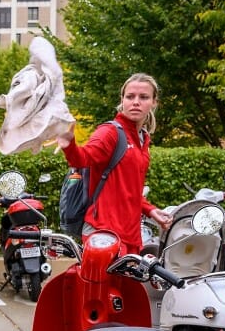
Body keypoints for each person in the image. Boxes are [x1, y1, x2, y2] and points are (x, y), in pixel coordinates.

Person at [55, 73, 172, 252]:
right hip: (103, 233)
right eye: (130, 96)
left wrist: (150, 210)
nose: (136, 102)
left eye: (144, 97)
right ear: (122, 100)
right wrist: (69, 145)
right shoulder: (110, 132)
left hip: (132, 235)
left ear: (154, 102)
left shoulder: (143, 139)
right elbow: (82, 159)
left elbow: (129, 190)